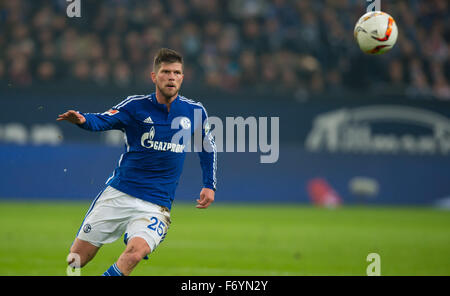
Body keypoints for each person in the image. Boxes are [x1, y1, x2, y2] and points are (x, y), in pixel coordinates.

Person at [58, 48, 217, 276]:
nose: (171, 77)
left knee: (134, 253)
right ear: (154, 77)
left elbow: (208, 147)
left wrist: (209, 184)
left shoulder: (195, 111)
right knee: (76, 260)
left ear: (182, 77)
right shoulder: (135, 106)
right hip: (120, 193)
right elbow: (105, 120)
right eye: (165, 72)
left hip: (156, 204)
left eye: (176, 72)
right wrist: (84, 120)